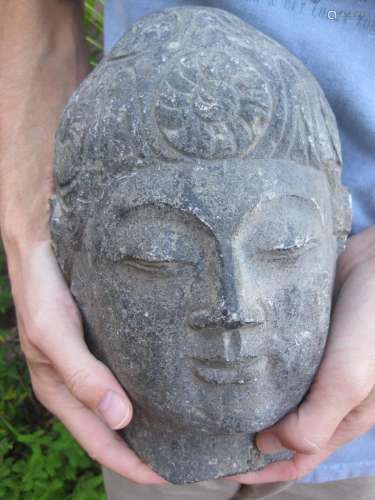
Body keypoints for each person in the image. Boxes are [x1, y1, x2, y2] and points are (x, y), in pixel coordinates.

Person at [0, 1, 374, 499]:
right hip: (135, 421)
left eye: (284, 246)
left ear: (334, 223)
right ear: (74, 248)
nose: (232, 308)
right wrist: (28, 231)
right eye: (160, 257)